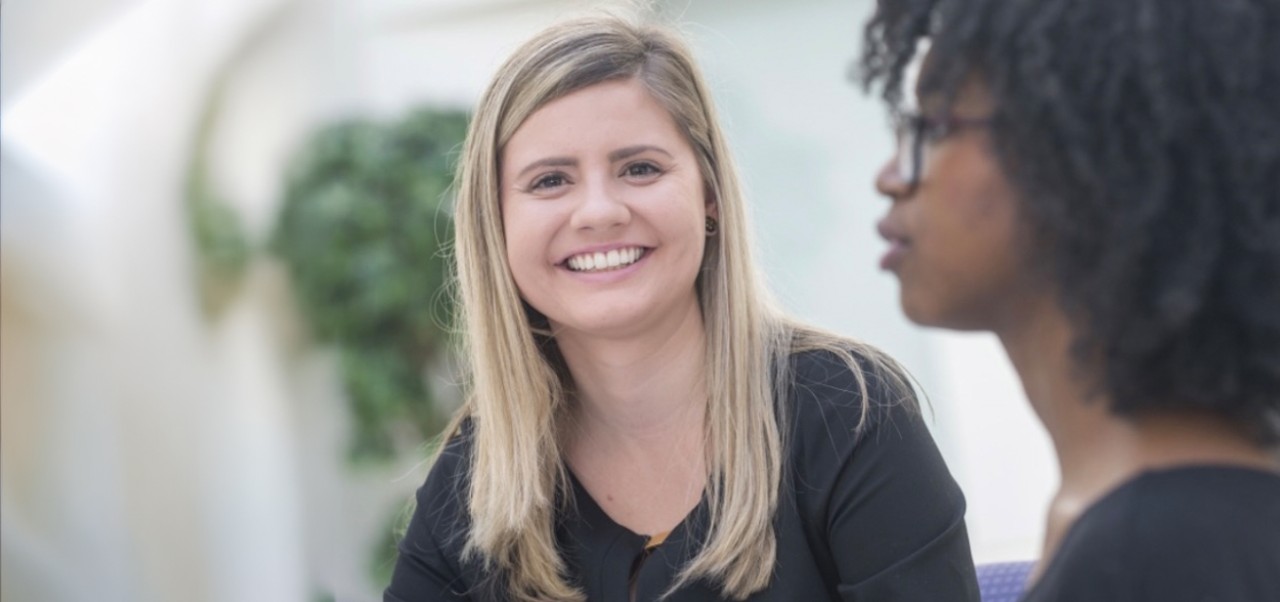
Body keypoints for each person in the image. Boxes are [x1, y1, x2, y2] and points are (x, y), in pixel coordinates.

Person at [385, 14, 979, 602]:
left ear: (709, 195)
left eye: (639, 168)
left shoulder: (849, 410)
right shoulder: (478, 471)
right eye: (549, 181)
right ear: (497, 223)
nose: (598, 211)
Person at [860, 1, 1280, 600]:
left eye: (937, 126)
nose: (890, 176)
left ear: (1082, 153)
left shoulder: (1155, 555)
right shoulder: (1159, 519)